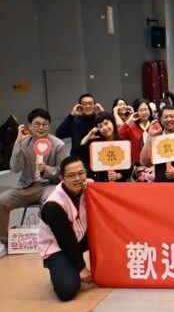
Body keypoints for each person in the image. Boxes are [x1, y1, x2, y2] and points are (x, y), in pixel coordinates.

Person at [0, 108, 67, 254]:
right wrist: (17, 144)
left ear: (49, 126)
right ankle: (6, 241)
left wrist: (45, 169)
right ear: (30, 126)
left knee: (52, 202)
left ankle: (53, 240)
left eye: (45, 124)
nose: (41, 128)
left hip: (49, 185)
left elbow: (63, 171)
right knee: (1, 201)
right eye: (37, 124)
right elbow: (15, 168)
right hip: (26, 186)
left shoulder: (58, 145)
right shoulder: (24, 143)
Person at [37, 156, 93, 301]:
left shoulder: (88, 188)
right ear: (62, 178)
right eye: (71, 175)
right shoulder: (53, 205)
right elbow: (66, 240)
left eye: (81, 173)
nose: (78, 179)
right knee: (67, 290)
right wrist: (81, 268)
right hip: (57, 248)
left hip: (79, 237)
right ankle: (56, 265)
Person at [80, 112, 133, 182]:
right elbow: (80, 153)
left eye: (106, 123)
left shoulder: (122, 143)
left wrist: (118, 175)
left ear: (112, 122)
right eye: (100, 126)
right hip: (101, 183)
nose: (104, 128)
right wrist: (88, 137)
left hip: (120, 184)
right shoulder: (96, 145)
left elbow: (129, 167)